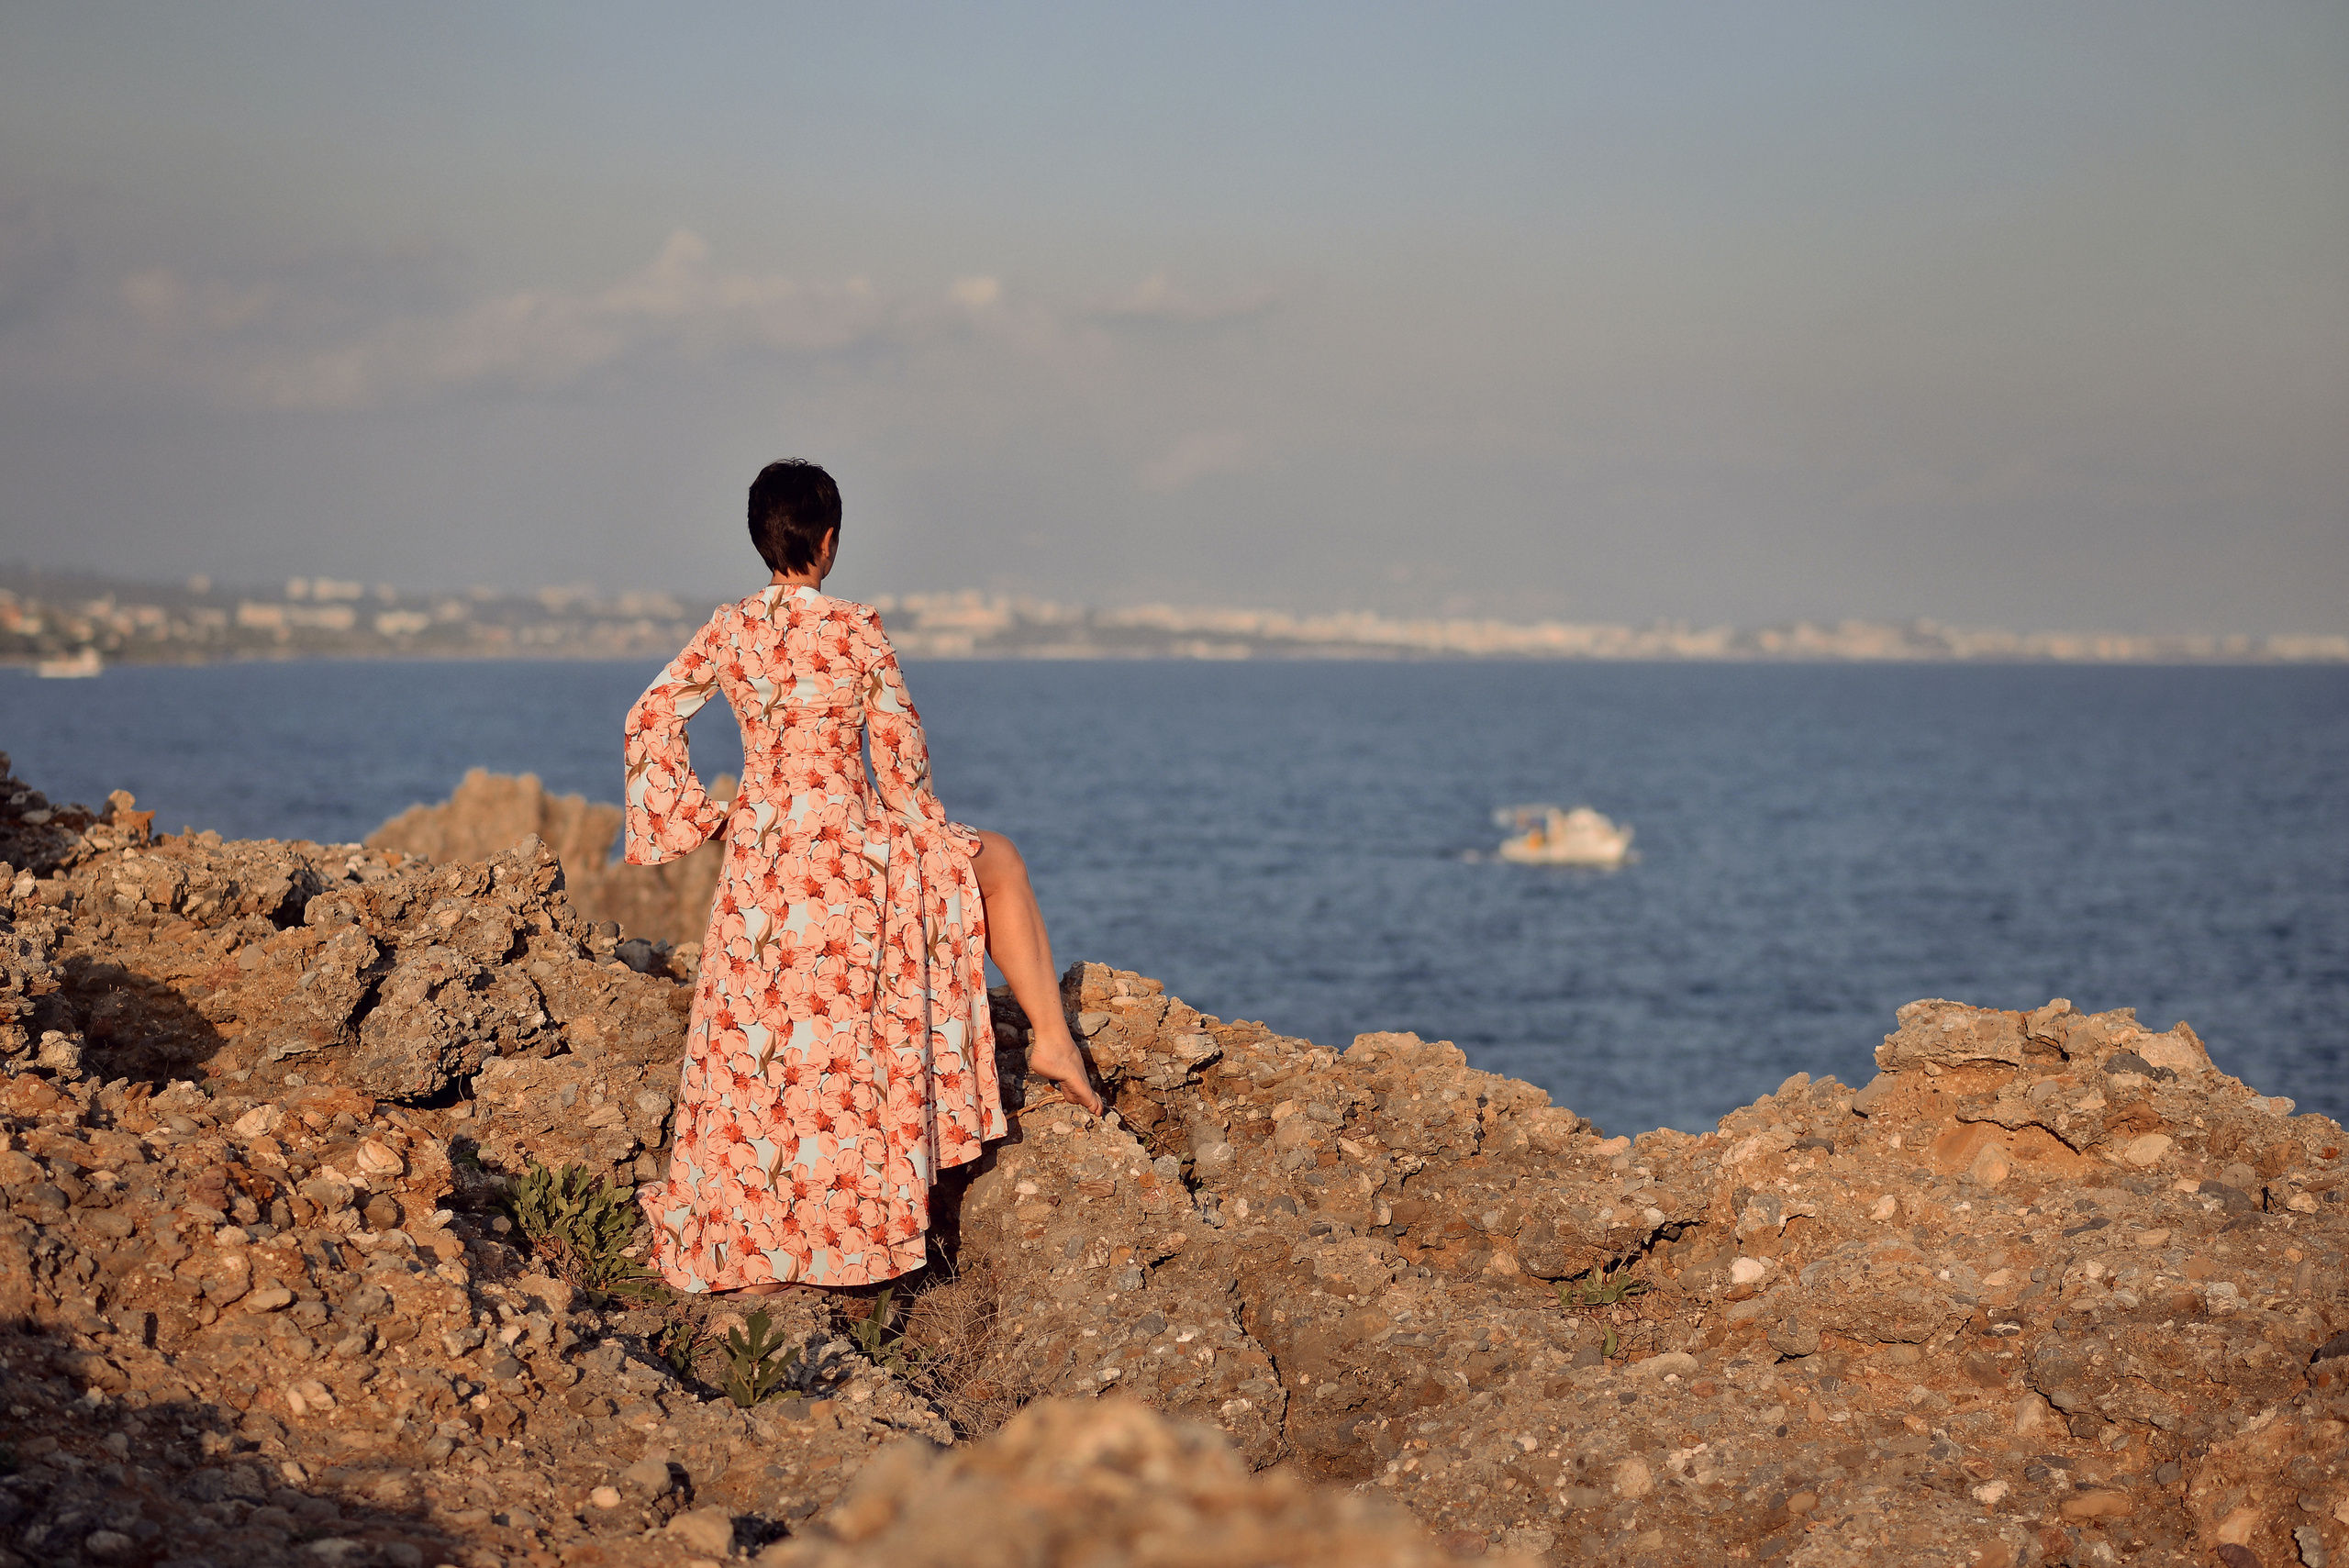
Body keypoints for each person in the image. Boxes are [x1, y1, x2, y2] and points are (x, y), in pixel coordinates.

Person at [621, 459, 1102, 1298]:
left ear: (760, 537)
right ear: (830, 541)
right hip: (850, 859)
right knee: (1001, 863)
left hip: (761, 868)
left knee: (765, 1061)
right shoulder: (856, 631)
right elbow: (904, 763)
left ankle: (760, 1238)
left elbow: (650, 716)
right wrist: (921, 828)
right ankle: (1054, 1041)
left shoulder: (729, 630)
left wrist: (702, 816)